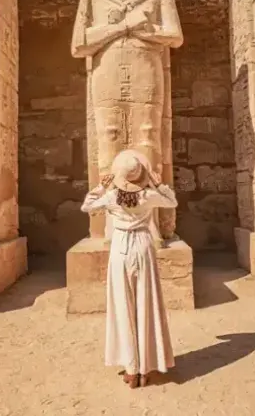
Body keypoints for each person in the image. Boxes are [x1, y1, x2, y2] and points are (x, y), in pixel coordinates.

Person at [81, 149, 178, 388]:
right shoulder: (148, 196)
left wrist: (100, 188)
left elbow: (87, 206)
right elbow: (171, 201)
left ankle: (131, 368)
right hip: (143, 245)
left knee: (123, 306)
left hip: (121, 246)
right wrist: (159, 184)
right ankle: (146, 366)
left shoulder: (112, 197)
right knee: (146, 304)